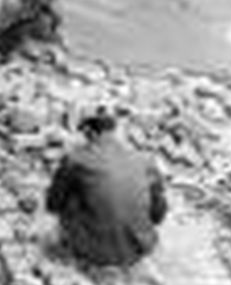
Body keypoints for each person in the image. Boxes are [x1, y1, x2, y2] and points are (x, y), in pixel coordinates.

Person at [46, 108, 168, 267]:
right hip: (141, 249)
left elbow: (53, 205)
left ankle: (76, 252)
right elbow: (159, 214)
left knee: (71, 195)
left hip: (95, 254)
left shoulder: (75, 159)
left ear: (90, 133)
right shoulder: (145, 160)